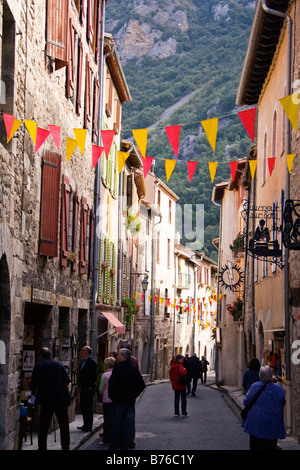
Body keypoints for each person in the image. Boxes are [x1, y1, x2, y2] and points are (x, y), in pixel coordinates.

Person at [30, 347, 70, 451]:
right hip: (61, 398)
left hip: (47, 399)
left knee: (44, 425)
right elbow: (67, 380)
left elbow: (34, 383)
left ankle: (42, 447)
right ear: (50, 355)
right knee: (64, 424)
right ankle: (65, 446)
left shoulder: (39, 365)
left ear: (41, 355)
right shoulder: (59, 365)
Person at [108, 348, 145, 450]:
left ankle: (114, 447)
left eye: (119, 355)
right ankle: (126, 446)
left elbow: (112, 384)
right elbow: (141, 385)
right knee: (128, 426)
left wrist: (113, 397)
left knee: (116, 425)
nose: (117, 356)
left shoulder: (118, 369)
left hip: (118, 402)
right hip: (129, 402)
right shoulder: (133, 368)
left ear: (124, 356)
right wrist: (134, 395)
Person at [243, 365, 286, 450]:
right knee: (271, 446)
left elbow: (246, 401)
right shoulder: (278, 389)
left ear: (260, 375)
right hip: (273, 424)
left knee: (256, 445)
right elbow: (282, 402)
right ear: (270, 375)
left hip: (256, 424)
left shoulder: (255, 386)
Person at [77, 345, 97, 432]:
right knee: (83, 406)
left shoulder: (92, 362)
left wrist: (89, 385)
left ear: (87, 352)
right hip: (83, 387)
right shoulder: (83, 362)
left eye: (83, 350)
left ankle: (88, 425)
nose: (81, 351)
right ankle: (85, 424)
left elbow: (94, 376)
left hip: (88, 387)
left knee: (88, 407)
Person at [98, 356, 115, 444]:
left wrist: (103, 394)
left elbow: (101, 389)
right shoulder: (117, 374)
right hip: (115, 400)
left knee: (107, 419)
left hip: (106, 400)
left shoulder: (104, 375)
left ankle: (106, 438)